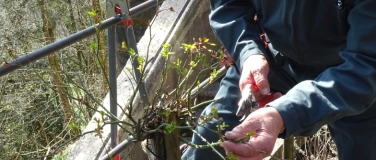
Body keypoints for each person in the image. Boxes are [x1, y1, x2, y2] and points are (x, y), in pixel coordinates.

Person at [181, 0, 376, 160]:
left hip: (350, 78)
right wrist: (248, 52)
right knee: (211, 135)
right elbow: (228, 4)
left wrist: (284, 114)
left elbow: (367, 64)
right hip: (270, 60)